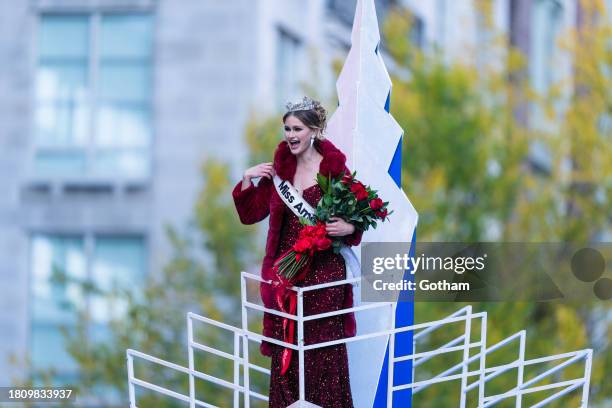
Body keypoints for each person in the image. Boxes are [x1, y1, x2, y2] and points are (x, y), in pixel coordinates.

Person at [232, 96, 361, 407]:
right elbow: (250, 214)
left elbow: (355, 221)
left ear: (314, 130)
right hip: (286, 275)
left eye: (298, 129)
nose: (290, 135)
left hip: (325, 276)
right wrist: (247, 179)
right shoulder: (279, 173)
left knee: (321, 351)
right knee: (286, 345)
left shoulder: (335, 172)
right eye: (287, 128)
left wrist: (349, 228)